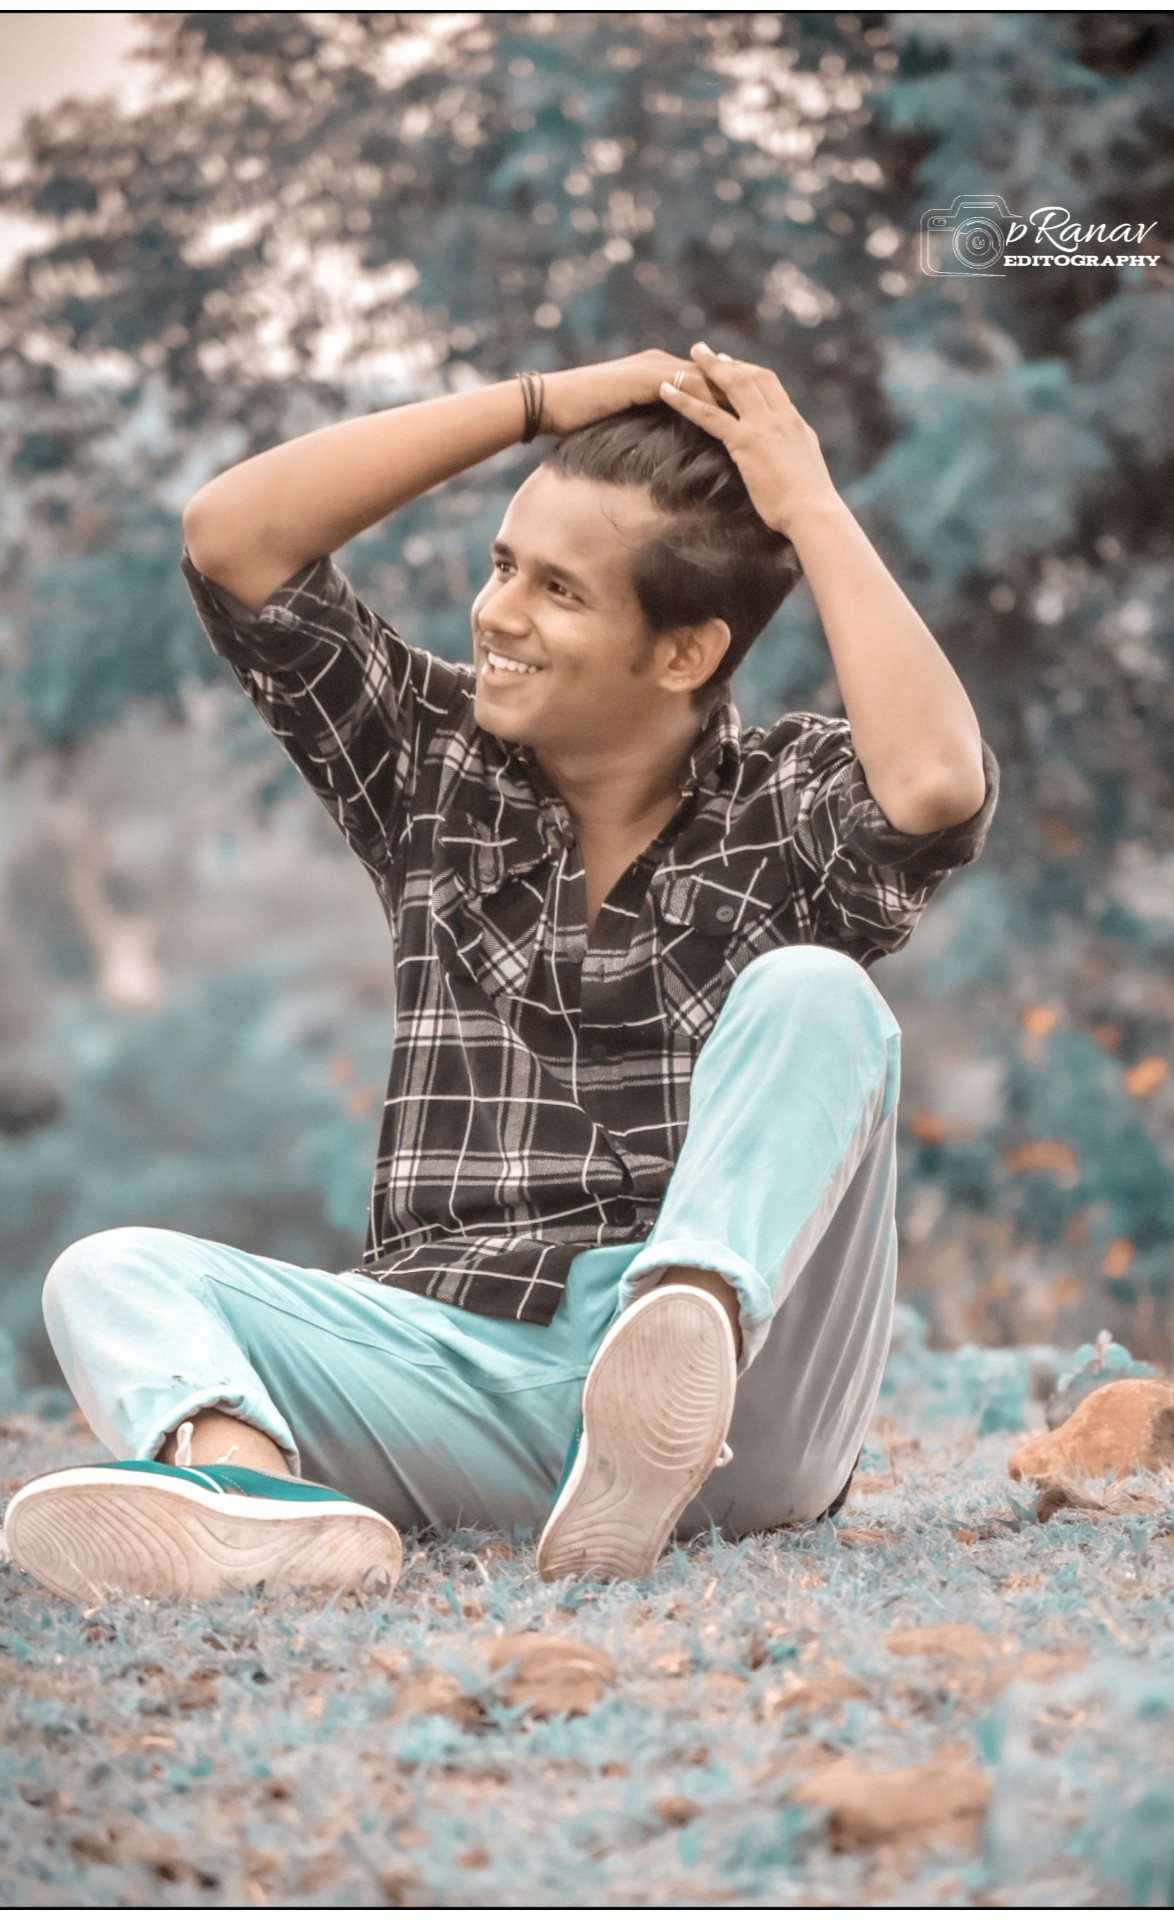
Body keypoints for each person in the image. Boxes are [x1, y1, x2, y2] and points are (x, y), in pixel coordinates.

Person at [5, 345, 997, 1604]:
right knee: (111, 1272)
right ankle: (253, 1504)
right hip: (461, 1373)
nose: (498, 614)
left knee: (819, 991)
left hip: (750, 1407)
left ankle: (673, 1351)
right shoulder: (430, 768)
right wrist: (540, 404)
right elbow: (233, 539)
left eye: (558, 591)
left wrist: (805, 499)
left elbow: (932, 783)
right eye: (502, 565)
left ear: (683, 653)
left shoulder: (784, 809)